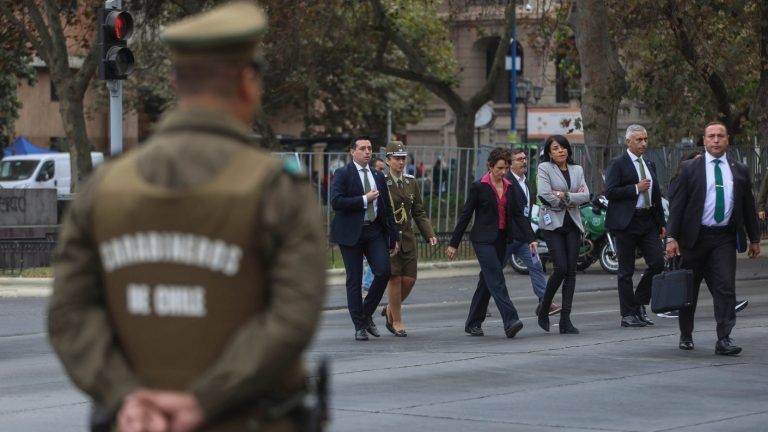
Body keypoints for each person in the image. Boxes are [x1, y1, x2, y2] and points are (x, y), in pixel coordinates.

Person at [47, 2, 327, 431]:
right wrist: (201, 400)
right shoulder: (276, 190)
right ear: (249, 83)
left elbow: (69, 315)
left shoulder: (103, 189)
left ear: (175, 82)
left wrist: (125, 397)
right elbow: (292, 319)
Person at [666, 122, 760, 354]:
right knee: (690, 289)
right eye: (711, 136)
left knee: (725, 288)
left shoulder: (738, 170)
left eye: (720, 136)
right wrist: (671, 237)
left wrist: (755, 238)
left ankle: (724, 338)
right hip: (694, 239)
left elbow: (748, 206)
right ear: (704, 141)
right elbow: (677, 206)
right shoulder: (690, 169)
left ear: (727, 139)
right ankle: (686, 334)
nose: (716, 140)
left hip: (723, 239)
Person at [447, 147, 536, 338]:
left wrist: (531, 239)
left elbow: (519, 216)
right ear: (490, 166)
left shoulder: (510, 187)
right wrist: (453, 243)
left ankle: (473, 323)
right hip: (482, 240)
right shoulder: (479, 186)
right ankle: (510, 320)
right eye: (500, 168)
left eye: (506, 168)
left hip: (502, 239)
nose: (503, 172)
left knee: (486, 281)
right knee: (495, 277)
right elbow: (466, 215)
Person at [659, 150, 749, 319]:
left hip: (707, 237)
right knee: (681, 274)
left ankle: (727, 303)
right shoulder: (680, 179)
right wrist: (672, 237)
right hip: (686, 236)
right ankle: (672, 305)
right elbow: (676, 209)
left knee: (713, 274)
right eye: (697, 161)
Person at [331, 137, 399, 341]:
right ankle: (359, 326)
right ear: (353, 152)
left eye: (369, 148)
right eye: (362, 148)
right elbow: (336, 202)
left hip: (374, 231)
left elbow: (387, 208)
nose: (367, 152)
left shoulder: (378, 175)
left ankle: (366, 312)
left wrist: (393, 236)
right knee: (355, 279)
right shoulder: (343, 174)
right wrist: (364, 200)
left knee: (383, 271)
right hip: (351, 233)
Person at [604, 125, 666, 328]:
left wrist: (661, 223)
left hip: (648, 220)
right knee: (626, 271)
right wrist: (635, 188)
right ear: (628, 142)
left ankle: (639, 301)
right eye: (639, 140)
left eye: (646, 139)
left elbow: (656, 195)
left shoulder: (649, 163)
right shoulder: (618, 164)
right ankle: (628, 314)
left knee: (657, 263)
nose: (644, 144)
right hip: (626, 222)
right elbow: (610, 192)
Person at [379, 141, 438, 336]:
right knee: (395, 279)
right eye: (396, 158)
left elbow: (418, 211)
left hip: (408, 237)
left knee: (410, 279)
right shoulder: (381, 180)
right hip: (390, 237)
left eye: (403, 158)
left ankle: (389, 309)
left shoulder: (411, 181)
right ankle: (397, 321)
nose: (400, 162)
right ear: (388, 160)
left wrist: (429, 233)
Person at [536, 135, 590, 334]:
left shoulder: (577, 169)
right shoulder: (544, 169)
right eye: (556, 148)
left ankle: (565, 319)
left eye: (563, 147)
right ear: (549, 152)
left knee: (571, 272)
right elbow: (544, 195)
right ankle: (544, 307)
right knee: (560, 268)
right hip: (553, 225)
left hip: (573, 224)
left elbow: (586, 196)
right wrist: (572, 197)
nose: (561, 151)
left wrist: (564, 195)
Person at [504, 148, 561, 316]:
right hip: (508, 238)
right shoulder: (507, 183)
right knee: (493, 272)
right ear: (510, 164)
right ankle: (481, 303)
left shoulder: (526, 182)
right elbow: (513, 214)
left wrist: (530, 237)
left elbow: (526, 213)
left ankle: (545, 302)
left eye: (525, 158)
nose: (524, 161)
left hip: (524, 238)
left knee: (536, 266)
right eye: (519, 159)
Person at [362, 157, 387, 293]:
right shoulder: (362, 181)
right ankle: (366, 283)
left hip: (376, 228)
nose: (382, 172)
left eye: (383, 169)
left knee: (377, 261)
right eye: (379, 169)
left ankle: (367, 283)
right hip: (360, 229)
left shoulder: (381, 182)